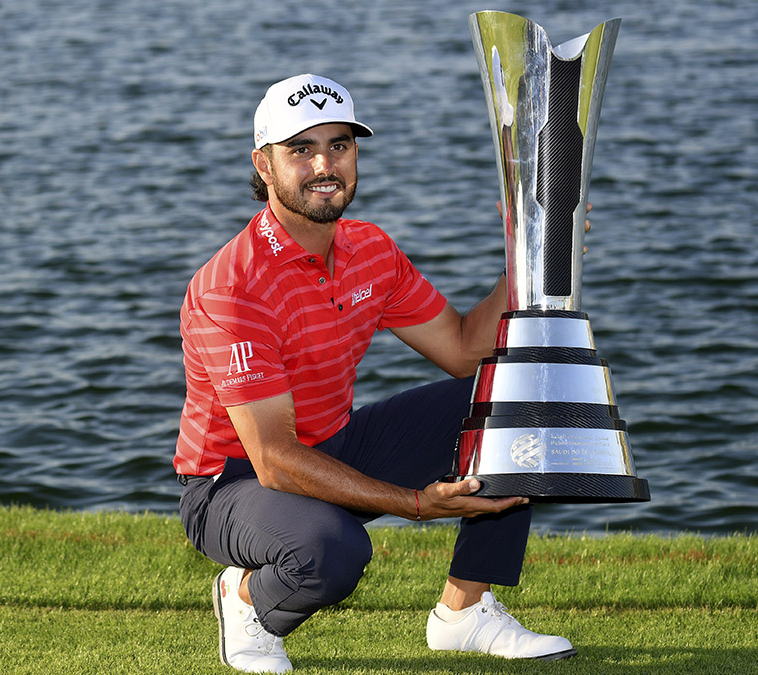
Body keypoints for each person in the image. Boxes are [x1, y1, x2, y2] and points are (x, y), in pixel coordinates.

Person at [174, 73, 577, 673]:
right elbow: (275, 460)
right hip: (230, 484)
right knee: (330, 551)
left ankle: (464, 613)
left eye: (340, 144)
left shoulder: (370, 249)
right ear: (263, 164)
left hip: (333, 444)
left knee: (516, 400)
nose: (324, 164)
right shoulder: (232, 287)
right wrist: (416, 503)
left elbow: (466, 349)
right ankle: (247, 598)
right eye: (301, 149)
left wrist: (525, 256)